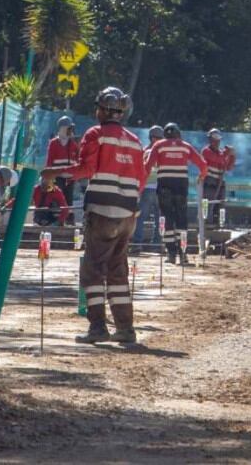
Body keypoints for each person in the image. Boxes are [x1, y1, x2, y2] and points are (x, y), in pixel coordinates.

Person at [40, 87, 146, 345]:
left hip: (102, 211)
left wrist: (52, 174)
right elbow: (141, 178)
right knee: (118, 271)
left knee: (93, 271)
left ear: (102, 110)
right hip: (128, 215)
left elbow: (86, 169)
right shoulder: (134, 140)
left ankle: (98, 327)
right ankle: (126, 329)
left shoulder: (96, 134)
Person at [145, 122, 207, 265]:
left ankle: (171, 254)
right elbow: (203, 165)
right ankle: (183, 254)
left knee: (167, 218)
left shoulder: (158, 146)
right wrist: (201, 177)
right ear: (179, 134)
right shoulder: (185, 146)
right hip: (181, 186)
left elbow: (147, 167)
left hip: (164, 185)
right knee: (181, 219)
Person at [132, 125, 164, 251]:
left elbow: (140, 170)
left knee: (141, 218)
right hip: (160, 189)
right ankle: (157, 245)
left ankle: (137, 244)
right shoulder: (163, 152)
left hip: (147, 188)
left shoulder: (145, 151)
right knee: (159, 218)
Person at [46, 116, 80, 223]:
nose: (71, 131)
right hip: (57, 177)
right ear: (63, 128)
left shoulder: (73, 144)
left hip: (70, 178)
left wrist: (76, 175)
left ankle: (69, 220)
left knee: (69, 199)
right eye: (69, 128)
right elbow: (49, 160)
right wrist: (48, 176)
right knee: (57, 198)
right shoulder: (54, 143)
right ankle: (57, 220)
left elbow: (77, 160)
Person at [201, 128, 235, 226]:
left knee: (220, 205)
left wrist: (232, 156)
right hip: (209, 182)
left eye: (218, 139)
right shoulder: (206, 151)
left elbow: (229, 167)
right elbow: (217, 160)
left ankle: (218, 225)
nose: (216, 142)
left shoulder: (221, 153)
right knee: (207, 204)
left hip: (220, 183)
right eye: (213, 139)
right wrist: (226, 153)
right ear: (210, 140)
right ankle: (205, 224)